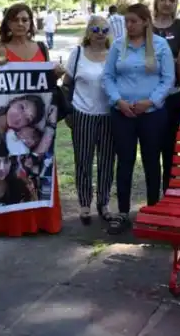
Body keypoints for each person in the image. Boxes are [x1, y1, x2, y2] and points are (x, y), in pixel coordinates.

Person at [0, 3, 64, 237]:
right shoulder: (0, 49)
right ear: (8, 24)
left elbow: (47, 88)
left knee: (40, 169)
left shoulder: (40, 47)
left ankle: (44, 221)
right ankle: (17, 226)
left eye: (25, 19)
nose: (21, 24)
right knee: (12, 170)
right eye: (16, 19)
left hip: (35, 124)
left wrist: (57, 75)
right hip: (11, 124)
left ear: (31, 23)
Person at [102, 3, 175, 235]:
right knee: (124, 161)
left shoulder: (160, 46)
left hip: (151, 114)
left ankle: (153, 208)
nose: (129, 26)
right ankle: (123, 212)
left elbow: (168, 79)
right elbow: (108, 76)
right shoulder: (117, 46)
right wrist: (118, 101)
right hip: (123, 113)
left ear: (145, 21)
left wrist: (150, 101)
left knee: (152, 161)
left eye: (133, 21)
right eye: (126, 22)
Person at [62, 16, 115, 225]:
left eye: (104, 29)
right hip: (82, 113)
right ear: (88, 32)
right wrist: (68, 112)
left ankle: (104, 203)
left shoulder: (114, 54)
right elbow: (67, 84)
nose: (100, 33)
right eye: (95, 29)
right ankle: (84, 204)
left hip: (109, 115)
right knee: (83, 160)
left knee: (107, 161)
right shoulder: (77, 54)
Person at [151, 0, 180, 190]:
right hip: (150, 94)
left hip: (174, 94)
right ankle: (153, 193)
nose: (167, 3)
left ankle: (169, 189)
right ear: (156, 1)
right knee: (152, 145)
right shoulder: (148, 26)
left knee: (171, 146)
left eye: (172, 0)